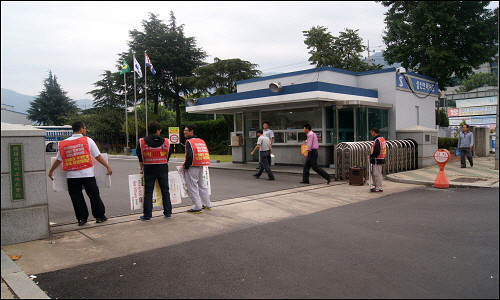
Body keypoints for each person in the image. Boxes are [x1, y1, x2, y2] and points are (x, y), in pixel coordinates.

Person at [48, 121, 112, 226]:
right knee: (94, 196)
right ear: (81, 129)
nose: (85, 130)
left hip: (72, 176)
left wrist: (51, 171)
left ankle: (82, 219)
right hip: (87, 174)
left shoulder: (64, 143)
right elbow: (97, 156)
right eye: (85, 128)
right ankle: (100, 216)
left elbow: (58, 160)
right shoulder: (87, 140)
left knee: (77, 198)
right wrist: (107, 166)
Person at [136, 120, 173, 221]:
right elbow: (168, 156)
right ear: (157, 130)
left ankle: (147, 215)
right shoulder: (166, 141)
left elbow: (140, 157)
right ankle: (168, 213)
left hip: (149, 169)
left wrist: (141, 169)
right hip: (163, 168)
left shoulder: (142, 141)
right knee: (165, 191)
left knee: (148, 192)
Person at [183, 124, 212, 213]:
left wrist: (186, 166)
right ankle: (207, 204)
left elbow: (189, 155)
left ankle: (197, 206)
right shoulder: (201, 141)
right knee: (202, 185)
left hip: (192, 166)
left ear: (192, 131)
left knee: (192, 186)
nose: (184, 132)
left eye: (186, 130)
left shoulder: (189, 142)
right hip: (201, 164)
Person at [369, 127, 386, 193]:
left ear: (373, 132)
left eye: (371, 132)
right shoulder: (382, 139)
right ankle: (376, 187)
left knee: (376, 173)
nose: (371, 133)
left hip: (377, 159)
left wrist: (371, 156)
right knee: (376, 173)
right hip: (381, 158)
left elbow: (377, 150)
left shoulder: (377, 140)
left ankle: (378, 187)